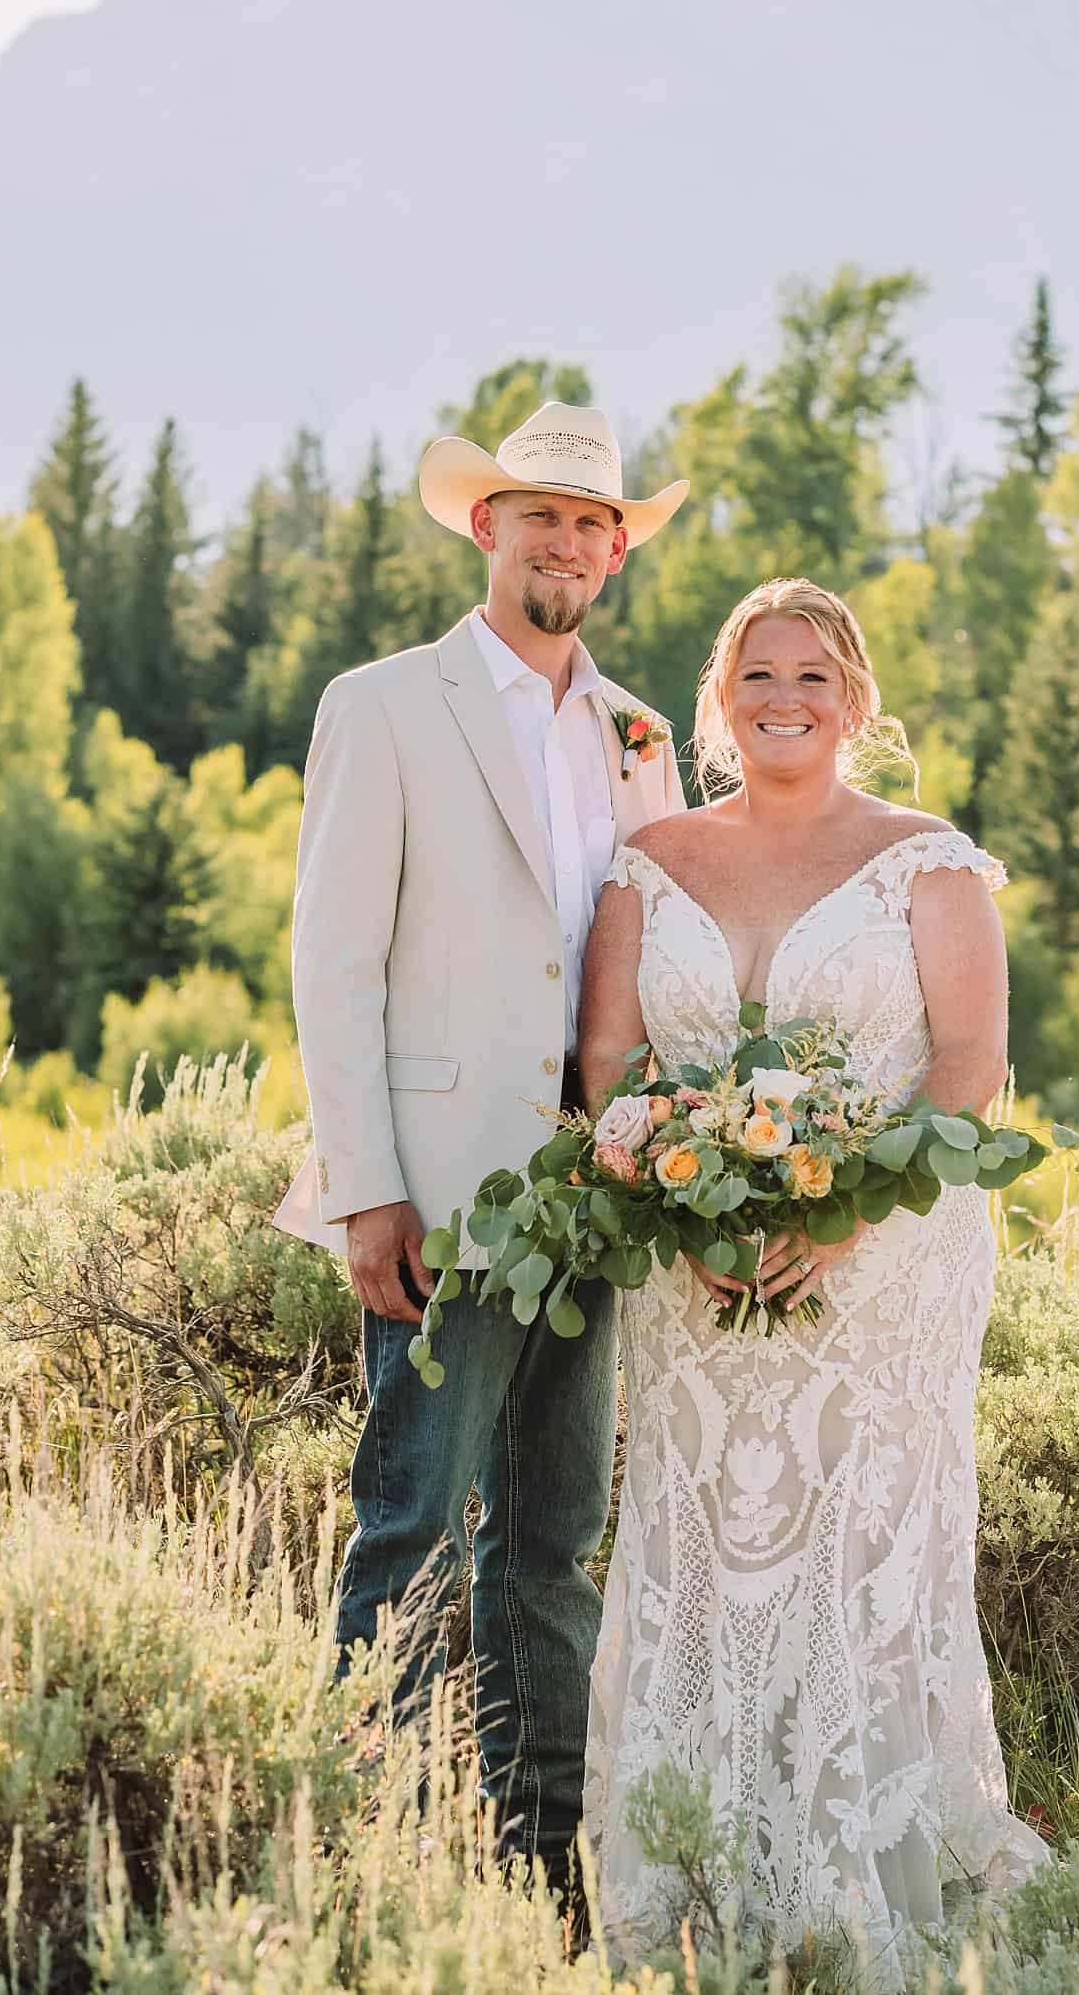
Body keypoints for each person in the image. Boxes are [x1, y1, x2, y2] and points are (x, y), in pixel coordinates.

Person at [577, 576, 1047, 1977]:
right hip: (692, 1280)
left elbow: (969, 1067)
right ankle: (694, 1874)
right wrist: (680, 1196)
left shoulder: (929, 861)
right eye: (759, 676)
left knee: (858, 1553)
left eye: (814, 677)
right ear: (719, 700)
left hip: (883, 1273)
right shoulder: (646, 862)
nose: (786, 699)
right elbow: (609, 1064)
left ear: (855, 699)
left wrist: (841, 1219)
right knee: (701, 1554)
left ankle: (862, 1869)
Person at [273, 398, 688, 1891]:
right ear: (485, 526)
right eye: (539, 515)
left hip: (595, 1206)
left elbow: (660, 956)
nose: (565, 541)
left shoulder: (642, 732)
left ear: (617, 548)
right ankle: (364, 1863)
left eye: (592, 521)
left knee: (554, 1547)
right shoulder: (382, 702)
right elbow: (336, 964)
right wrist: (366, 1184)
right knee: (411, 1530)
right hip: (437, 1197)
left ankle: (536, 1869)